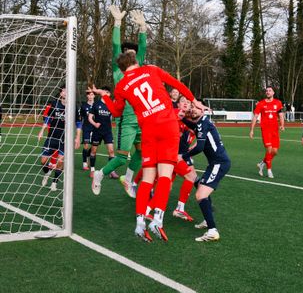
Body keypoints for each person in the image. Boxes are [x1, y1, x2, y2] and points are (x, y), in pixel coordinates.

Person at [91, 51, 207, 242]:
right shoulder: (151, 69)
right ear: (136, 61)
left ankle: (139, 223)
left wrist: (105, 97)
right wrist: (194, 101)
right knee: (165, 176)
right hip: (168, 126)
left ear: (122, 69)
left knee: (147, 179)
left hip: (148, 131)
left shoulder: (121, 86)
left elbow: (117, 112)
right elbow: (177, 85)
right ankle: (157, 220)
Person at [97, 6, 148, 198]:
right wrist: (117, 23)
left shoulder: (139, 67)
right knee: (120, 158)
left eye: (134, 54)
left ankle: (127, 179)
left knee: (142, 153)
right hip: (125, 120)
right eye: (128, 53)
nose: (132, 56)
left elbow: (143, 48)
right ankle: (99, 174)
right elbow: (115, 46)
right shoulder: (118, 70)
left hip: (141, 118)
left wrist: (142, 28)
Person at [181, 102, 231, 242]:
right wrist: (182, 118)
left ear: (203, 110)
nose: (193, 110)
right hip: (215, 163)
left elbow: (200, 147)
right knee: (201, 188)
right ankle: (208, 221)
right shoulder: (202, 122)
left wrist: (183, 156)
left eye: (197, 107)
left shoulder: (203, 123)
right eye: (192, 107)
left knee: (200, 194)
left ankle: (212, 231)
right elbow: (193, 127)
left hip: (219, 163)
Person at [38, 86, 81, 191]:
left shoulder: (73, 107)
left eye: (68, 90)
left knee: (60, 162)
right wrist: (42, 130)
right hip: (52, 137)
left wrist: (77, 137)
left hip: (65, 139)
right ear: (61, 93)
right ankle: (47, 172)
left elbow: (78, 122)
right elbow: (48, 118)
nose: (66, 92)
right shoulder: (54, 104)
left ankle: (54, 183)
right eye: (64, 91)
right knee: (43, 161)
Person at [250, 86, 285, 179]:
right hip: (265, 130)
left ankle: (262, 163)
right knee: (269, 149)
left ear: (273, 93)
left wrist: (282, 125)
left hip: (275, 130)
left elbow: (281, 115)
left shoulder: (278, 103)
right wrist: (252, 130)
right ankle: (269, 170)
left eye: (270, 90)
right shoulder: (261, 103)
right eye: (267, 91)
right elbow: (255, 117)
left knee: (275, 151)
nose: (268, 92)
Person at [88, 86, 116, 178]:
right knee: (93, 151)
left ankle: (111, 171)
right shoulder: (96, 104)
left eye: (108, 92)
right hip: (97, 132)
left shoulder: (111, 104)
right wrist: (95, 124)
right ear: (101, 93)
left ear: (110, 94)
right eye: (104, 92)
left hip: (107, 131)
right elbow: (90, 117)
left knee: (111, 151)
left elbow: (115, 115)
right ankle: (92, 170)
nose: (106, 94)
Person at [79, 89, 95, 171]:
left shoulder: (97, 105)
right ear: (87, 96)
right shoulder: (84, 106)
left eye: (92, 94)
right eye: (89, 95)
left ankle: (88, 157)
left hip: (95, 128)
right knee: (86, 145)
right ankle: (84, 163)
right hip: (86, 128)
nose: (90, 96)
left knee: (93, 147)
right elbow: (81, 117)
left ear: (94, 96)